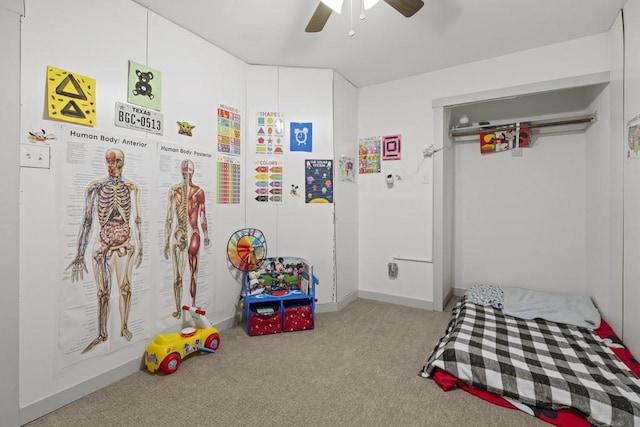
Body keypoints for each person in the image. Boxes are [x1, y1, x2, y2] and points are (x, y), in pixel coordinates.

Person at [67, 148, 143, 353]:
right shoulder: (95, 188)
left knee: (125, 287)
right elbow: (87, 221)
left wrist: (141, 246)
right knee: (103, 292)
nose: (113, 166)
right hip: (103, 245)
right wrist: (80, 253)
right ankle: (102, 333)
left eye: (117, 162)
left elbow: (136, 219)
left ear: (123, 162)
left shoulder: (132, 188)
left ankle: (124, 327)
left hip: (126, 246)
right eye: (109, 162)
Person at [164, 159, 210, 318]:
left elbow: (201, 216)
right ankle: (189, 305)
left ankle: (185, 307)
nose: (187, 173)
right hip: (186, 233)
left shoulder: (191, 191)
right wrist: (206, 236)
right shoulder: (182, 191)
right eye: (187, 170)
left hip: (184, 234)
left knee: (189, 274)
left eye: (187, 170)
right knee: (187, 274)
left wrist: (206, 235)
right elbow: (170, 218)